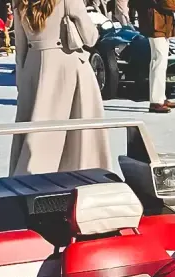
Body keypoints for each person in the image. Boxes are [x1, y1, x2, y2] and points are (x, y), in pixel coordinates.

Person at [10, 0, 112, 175]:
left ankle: (30, 174)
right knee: (80, 131)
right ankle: (82, 173)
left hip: (34, 69)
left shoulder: (20, 2)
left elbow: (20, 48)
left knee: (37, 130)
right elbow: (90, 38)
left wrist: (23, 82)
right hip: (68, 66)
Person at [134, 0, 175, 112]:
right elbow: (166, 1)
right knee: (159, 61)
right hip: (156, 22)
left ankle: (160, 97)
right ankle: (156, 101)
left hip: (159, 21)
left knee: (160, 61)